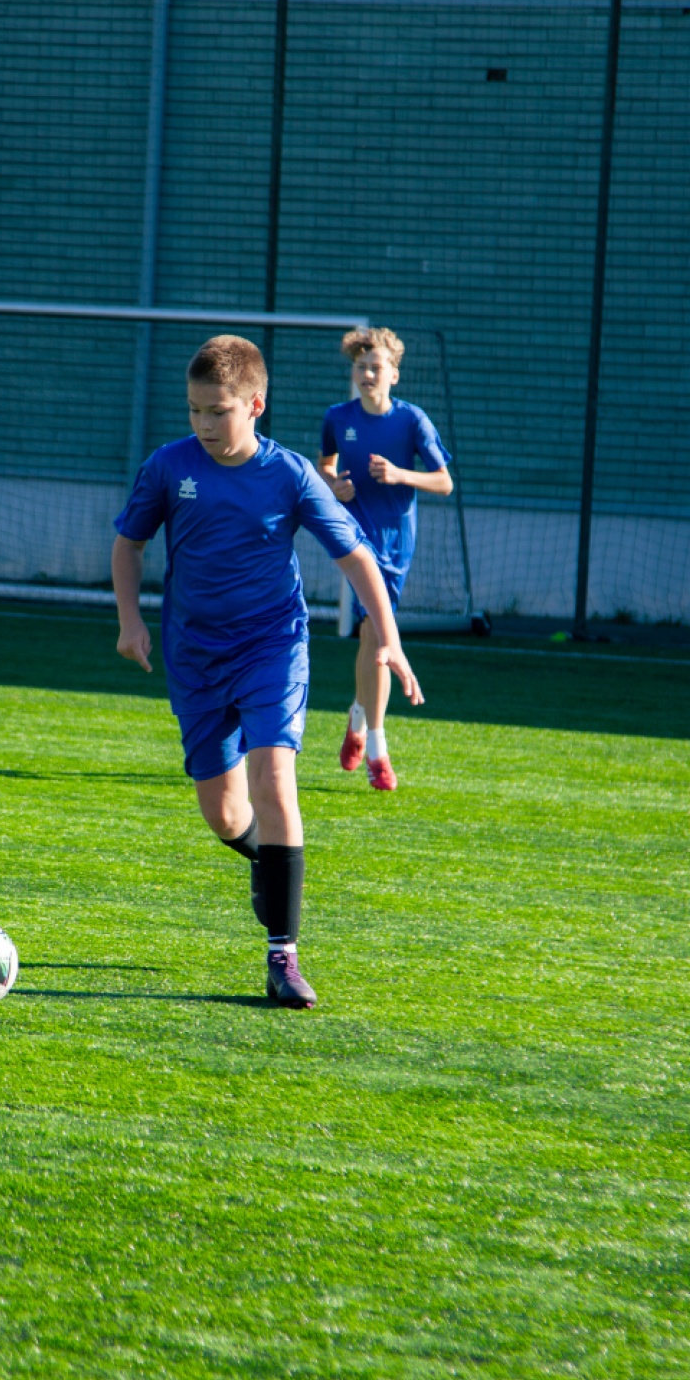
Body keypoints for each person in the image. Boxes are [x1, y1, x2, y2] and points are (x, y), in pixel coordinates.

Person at [112, 335, 422, 1009]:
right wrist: (130, 620)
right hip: (195, 656)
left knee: (274, 777)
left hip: (272, 647)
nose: (203, 424)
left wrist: (389, 640)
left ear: (255, 405)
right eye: (194, 410)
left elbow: (357, 557)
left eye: (218, 411)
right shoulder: (168, 467)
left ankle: (283, 955)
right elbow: (128, 544)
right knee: (224, 814)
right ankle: (271, 861)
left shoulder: (290, 475)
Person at [316, 327, 453, 791]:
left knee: (371, 639)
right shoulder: (338, 417)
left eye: (377, 367)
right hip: (356, 539)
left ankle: (357, 718)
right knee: (376, 637)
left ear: (394, 374)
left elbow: (444, 482)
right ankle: (377, 750)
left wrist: (399, 474)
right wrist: (334, 486)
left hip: (398, 542)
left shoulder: (412, 421)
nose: (368, 374)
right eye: (361, 367)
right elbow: (324, 466)